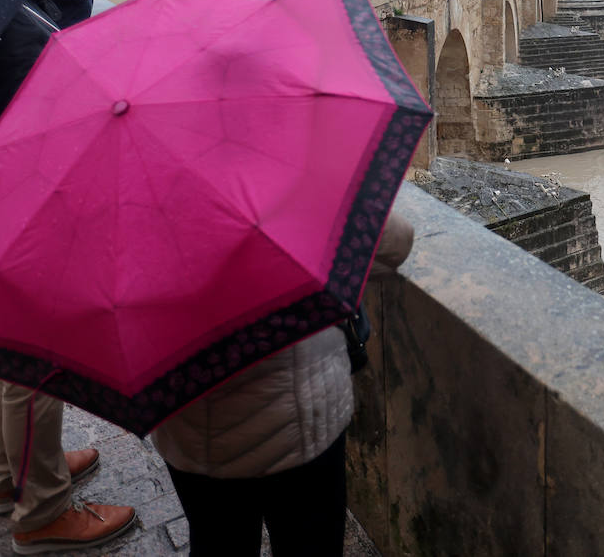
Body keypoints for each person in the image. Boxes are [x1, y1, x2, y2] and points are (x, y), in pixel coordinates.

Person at [0, 0, 137, 554]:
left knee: (10, 344)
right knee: (33, 353)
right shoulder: (2, 24)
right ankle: (42, 510)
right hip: (17, 194)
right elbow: (52, 99)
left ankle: (13, 474)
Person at [150, 212, 415, 556]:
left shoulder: (133, 211)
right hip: (301, 425)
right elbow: (393, 245)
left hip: (190, 428)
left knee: (217, 543)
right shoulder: (282, 185)